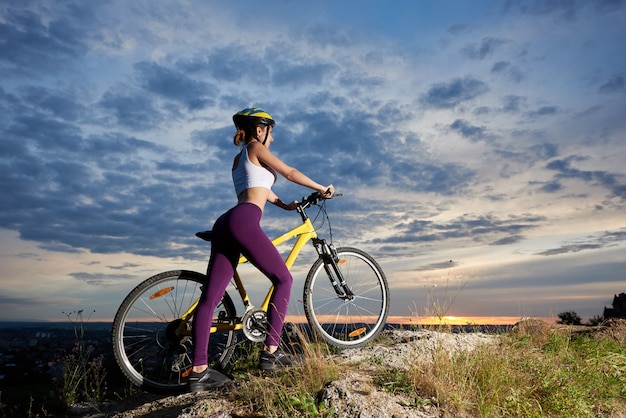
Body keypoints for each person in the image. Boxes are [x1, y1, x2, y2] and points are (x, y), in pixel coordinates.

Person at [189, 107, 334, 392]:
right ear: (259, 129)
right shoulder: (256, 146)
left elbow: (260, 190)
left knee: (210, 298)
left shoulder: (240, 158)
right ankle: (271, 352)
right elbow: (289, 172)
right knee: (284, 279)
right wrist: (321, 187)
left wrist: (286, 205)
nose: (273, 139)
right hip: (243, 221)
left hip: (227, 221)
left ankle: (199, 371)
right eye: (271, 131)